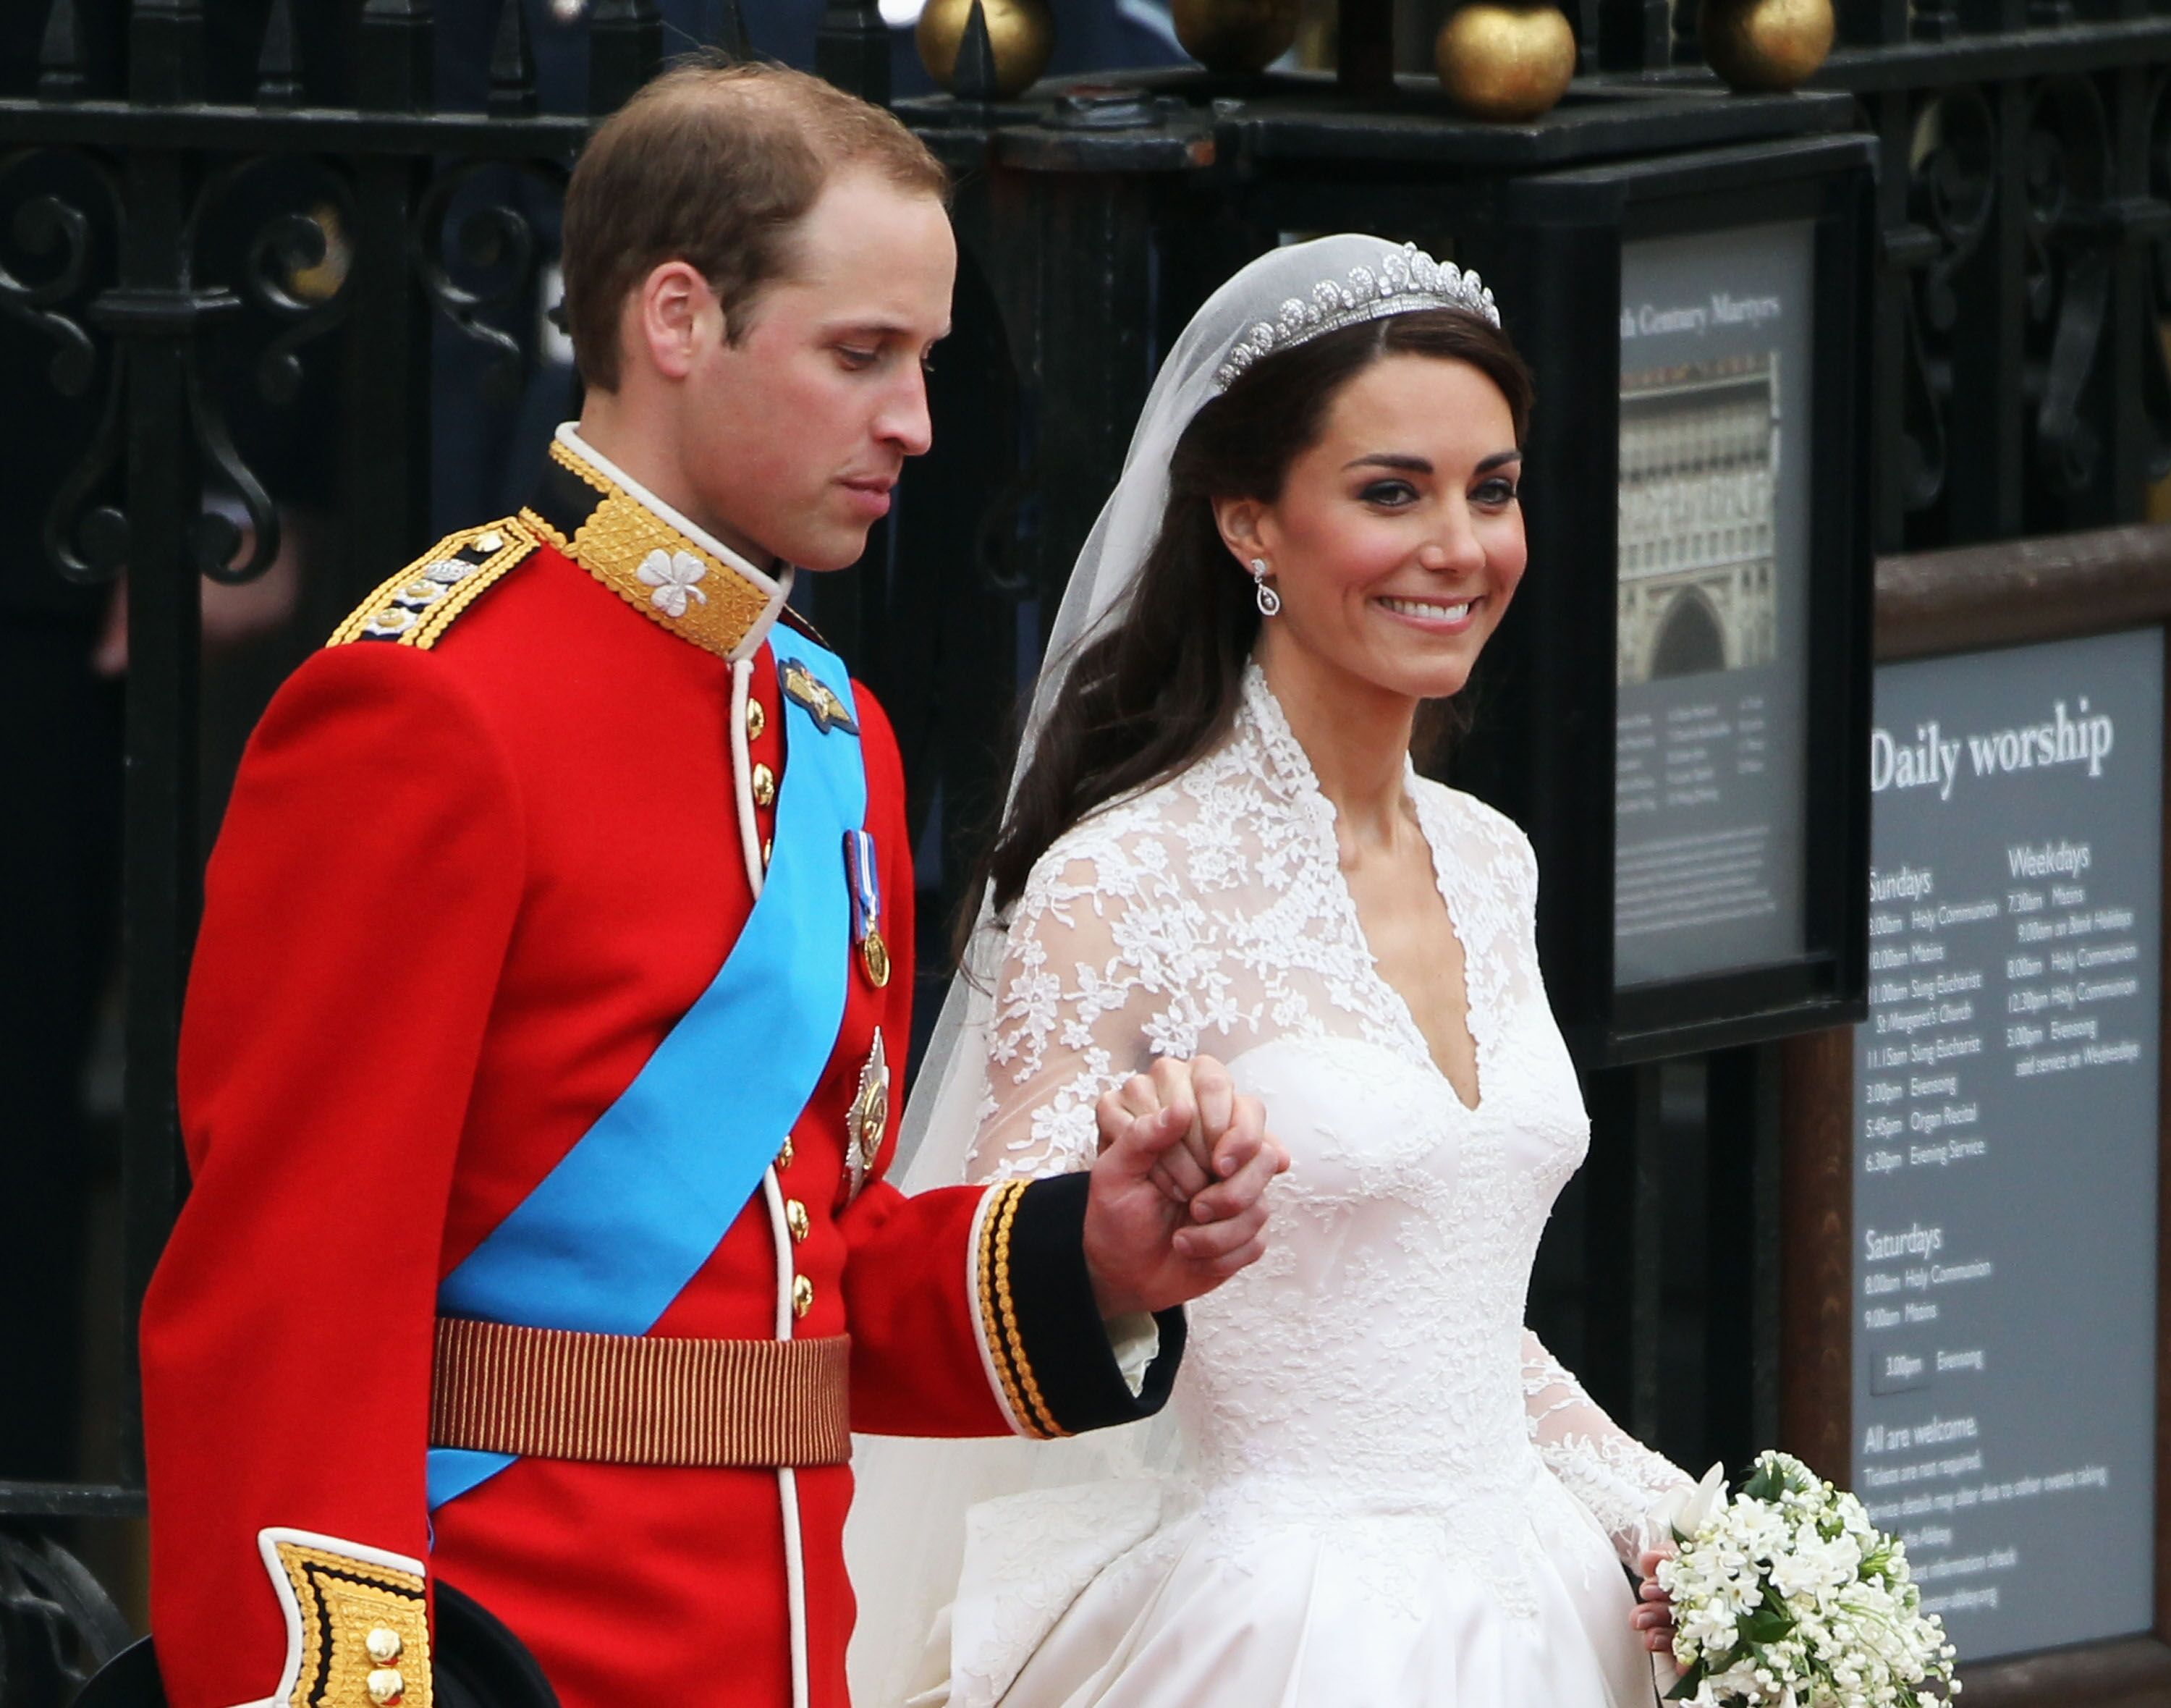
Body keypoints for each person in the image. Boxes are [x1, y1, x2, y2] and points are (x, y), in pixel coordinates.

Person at [130, 62, 1287, 1708]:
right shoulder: (428, 705)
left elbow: (821, 1269)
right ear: (677, 317)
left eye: (927, 361)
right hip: (510, 1652)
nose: (916, 422)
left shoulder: (833, 734)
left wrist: (1092, 1257)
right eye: (861, 354)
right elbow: (284, 1299)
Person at [847, 236, 1714, 1708]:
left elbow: (1442, 1307)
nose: (1459, 544)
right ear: (1250, 522)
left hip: (1537, 1609)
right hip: (1273, 1632)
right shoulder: (1122, 877)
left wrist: (1683, 1523)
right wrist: (1122, 1210)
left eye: (1490, 490)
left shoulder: (1491, 858)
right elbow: (982, 1274)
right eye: (1393, 491)